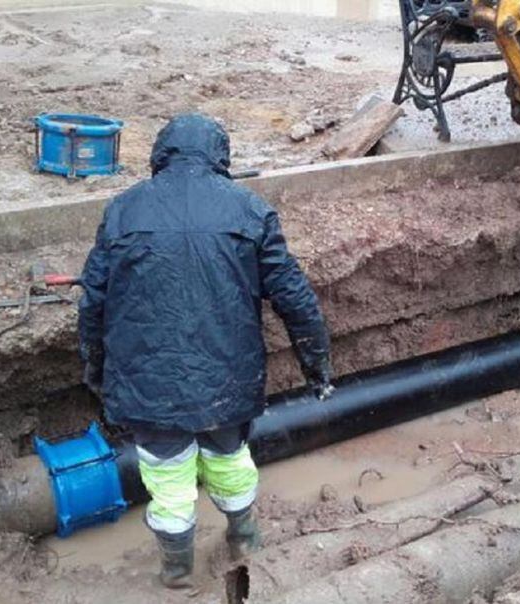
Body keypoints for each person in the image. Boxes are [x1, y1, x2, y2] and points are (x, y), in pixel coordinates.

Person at [77, 113, 333, 589]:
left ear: (161, 155)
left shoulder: (123, 211)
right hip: (227, 384)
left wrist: (96, 370)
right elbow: (295, 299)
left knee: (167, 477)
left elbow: (93, 302)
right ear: (221, 156)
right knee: (229, 457)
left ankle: (176, 572)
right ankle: (244, 538)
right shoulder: (248, 210)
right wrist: (317, 368)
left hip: (148, 386)